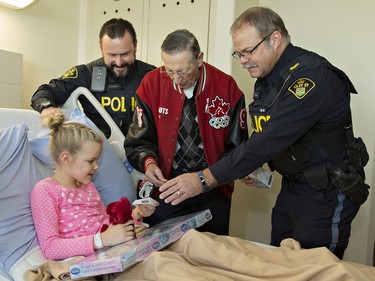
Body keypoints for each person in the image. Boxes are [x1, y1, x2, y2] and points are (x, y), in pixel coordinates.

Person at [158, 7, 369, 259]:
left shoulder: (311, 79)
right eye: (239, 53)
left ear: (275, 39)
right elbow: (263, 136)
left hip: (325, 194)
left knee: (316, 268)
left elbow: (269, 141)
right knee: (279, 261)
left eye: (249, 51)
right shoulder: (268, 80)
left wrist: (203, 179)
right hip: (293, 189)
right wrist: (249, 168)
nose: (244, 59)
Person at [124, 29, 248, 235]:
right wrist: (149, 163)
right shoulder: (151, 85)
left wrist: (208, 179)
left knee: (212, 254)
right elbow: (138, 141)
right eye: (169, 71)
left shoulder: (227, 88)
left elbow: (238, 148)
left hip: (213, 185)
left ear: (199, 59)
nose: (176, 80)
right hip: (167, 186)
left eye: (182, 71)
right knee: (167, 255)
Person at [30, 114, 158, 260]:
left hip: (113, 253)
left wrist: (135, 217)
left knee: (167, 256)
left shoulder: (88, 186)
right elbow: (50, 248)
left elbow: (105, 223)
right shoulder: (45, 190)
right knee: (157, 264)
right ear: (66, 159)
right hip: (91, 264)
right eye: (90, 161)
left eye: (97, 160)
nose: (96, 166)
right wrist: (101, 240)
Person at [31, 18, 156, 138]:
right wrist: (46, 107)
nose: (119, 62)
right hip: (99, 151)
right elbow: (45, 92)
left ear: (135, 46)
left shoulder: (152, 76)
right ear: (101, 48)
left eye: (125, 54)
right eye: (112, 55)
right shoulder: (86, 74)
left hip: (142, 152)